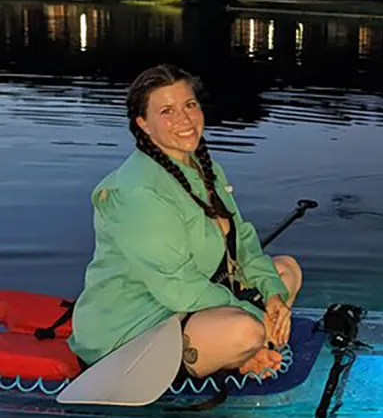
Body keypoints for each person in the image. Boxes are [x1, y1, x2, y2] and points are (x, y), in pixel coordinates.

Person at [67, 64, 304, 381]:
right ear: (143, 124)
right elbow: (177, 288)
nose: (184, 119)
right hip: (138, 321)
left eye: (189, 105)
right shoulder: (137, 190)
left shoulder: (205, 167)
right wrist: (257, 314)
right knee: (246, 331)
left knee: (286, 271)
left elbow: (244, 243)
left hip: (195, 299)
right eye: (166, 111)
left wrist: (273, 296)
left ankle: (243, 352)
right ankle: (240, 355)